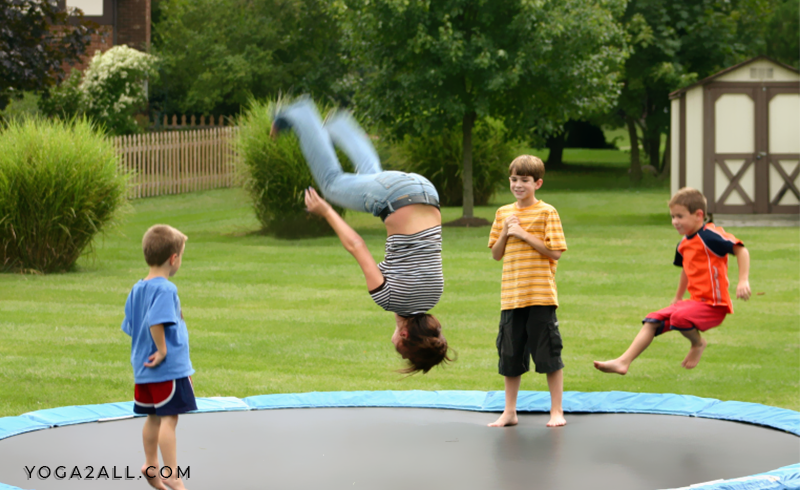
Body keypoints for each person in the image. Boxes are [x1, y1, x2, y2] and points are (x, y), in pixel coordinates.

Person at [271, 97, 452, 374]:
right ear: (404, 336)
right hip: (394, 198)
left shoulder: (433, 295)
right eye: (401, 351)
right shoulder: (389, 299)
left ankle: (341, 126)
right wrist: (326, 210)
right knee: (331, 183)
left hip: (425, 190)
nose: (395, 348)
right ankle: (302, 114)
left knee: (372, 176)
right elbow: (356, 245)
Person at [594, 187, 751, 375]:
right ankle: (623, 362)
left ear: (699, 215)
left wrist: (743, 280)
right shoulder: (683, 244)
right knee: (652, 319)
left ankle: (697, 343)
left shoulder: (710, 236)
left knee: (679, 317)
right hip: (695, 303)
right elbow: (687, 269)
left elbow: (741, 250)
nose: (675, 221)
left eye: (680, 216)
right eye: (673, 217)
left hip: (714, 306)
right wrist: (678, 297)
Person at [487, 155, 568, 428]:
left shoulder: (547, 212)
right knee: (510, 355)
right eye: (514, 179)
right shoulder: (503, 213)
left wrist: (523, 234)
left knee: (548, 354)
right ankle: (509, 412)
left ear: (537, 183)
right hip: (512, 297)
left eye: (524, 180)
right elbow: (496, 254)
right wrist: (506, 232)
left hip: (540, 295)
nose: (518, 185)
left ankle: (556, 411)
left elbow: (555, 252)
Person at [122, 224, 196, 490]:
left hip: (144, 370)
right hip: (167, 369)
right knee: (169, 419)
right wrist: (162, 350)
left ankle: (150, 463)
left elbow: (131, 326)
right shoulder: (165, 289)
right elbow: (155, 321)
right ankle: (172, 474)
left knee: (153, 417)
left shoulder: (137, 288)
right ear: (173, 258)